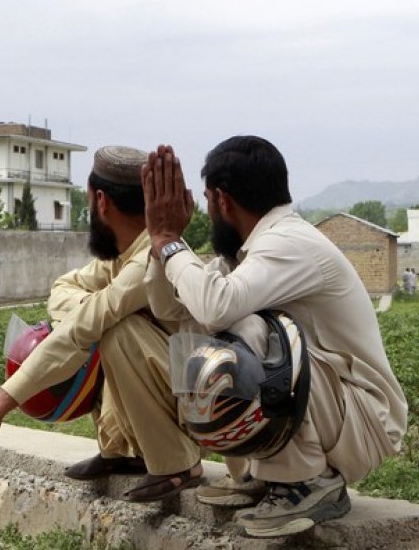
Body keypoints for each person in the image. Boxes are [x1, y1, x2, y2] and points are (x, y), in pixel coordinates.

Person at [142, 138, 407, 538]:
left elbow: (218, 306)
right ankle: (263, 473)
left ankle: (308, 484)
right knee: (200, 327)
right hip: (337, 411)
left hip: (364, 420)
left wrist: (170, 241)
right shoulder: (252, 251)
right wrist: (158, 246)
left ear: (221, 200)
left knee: (248, 328)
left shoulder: (289, 242)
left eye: (209, 202)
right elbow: (175, 309)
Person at [0, 146, 201, 502]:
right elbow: (62, 288)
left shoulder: (151, 259)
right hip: (170, 390)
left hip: (192, 403)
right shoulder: (121, 257)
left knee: (116, 331)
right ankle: (122, 451)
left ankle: (178, 463)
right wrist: (90, 307)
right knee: (103, 321)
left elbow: (78, 333)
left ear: (101, 201)